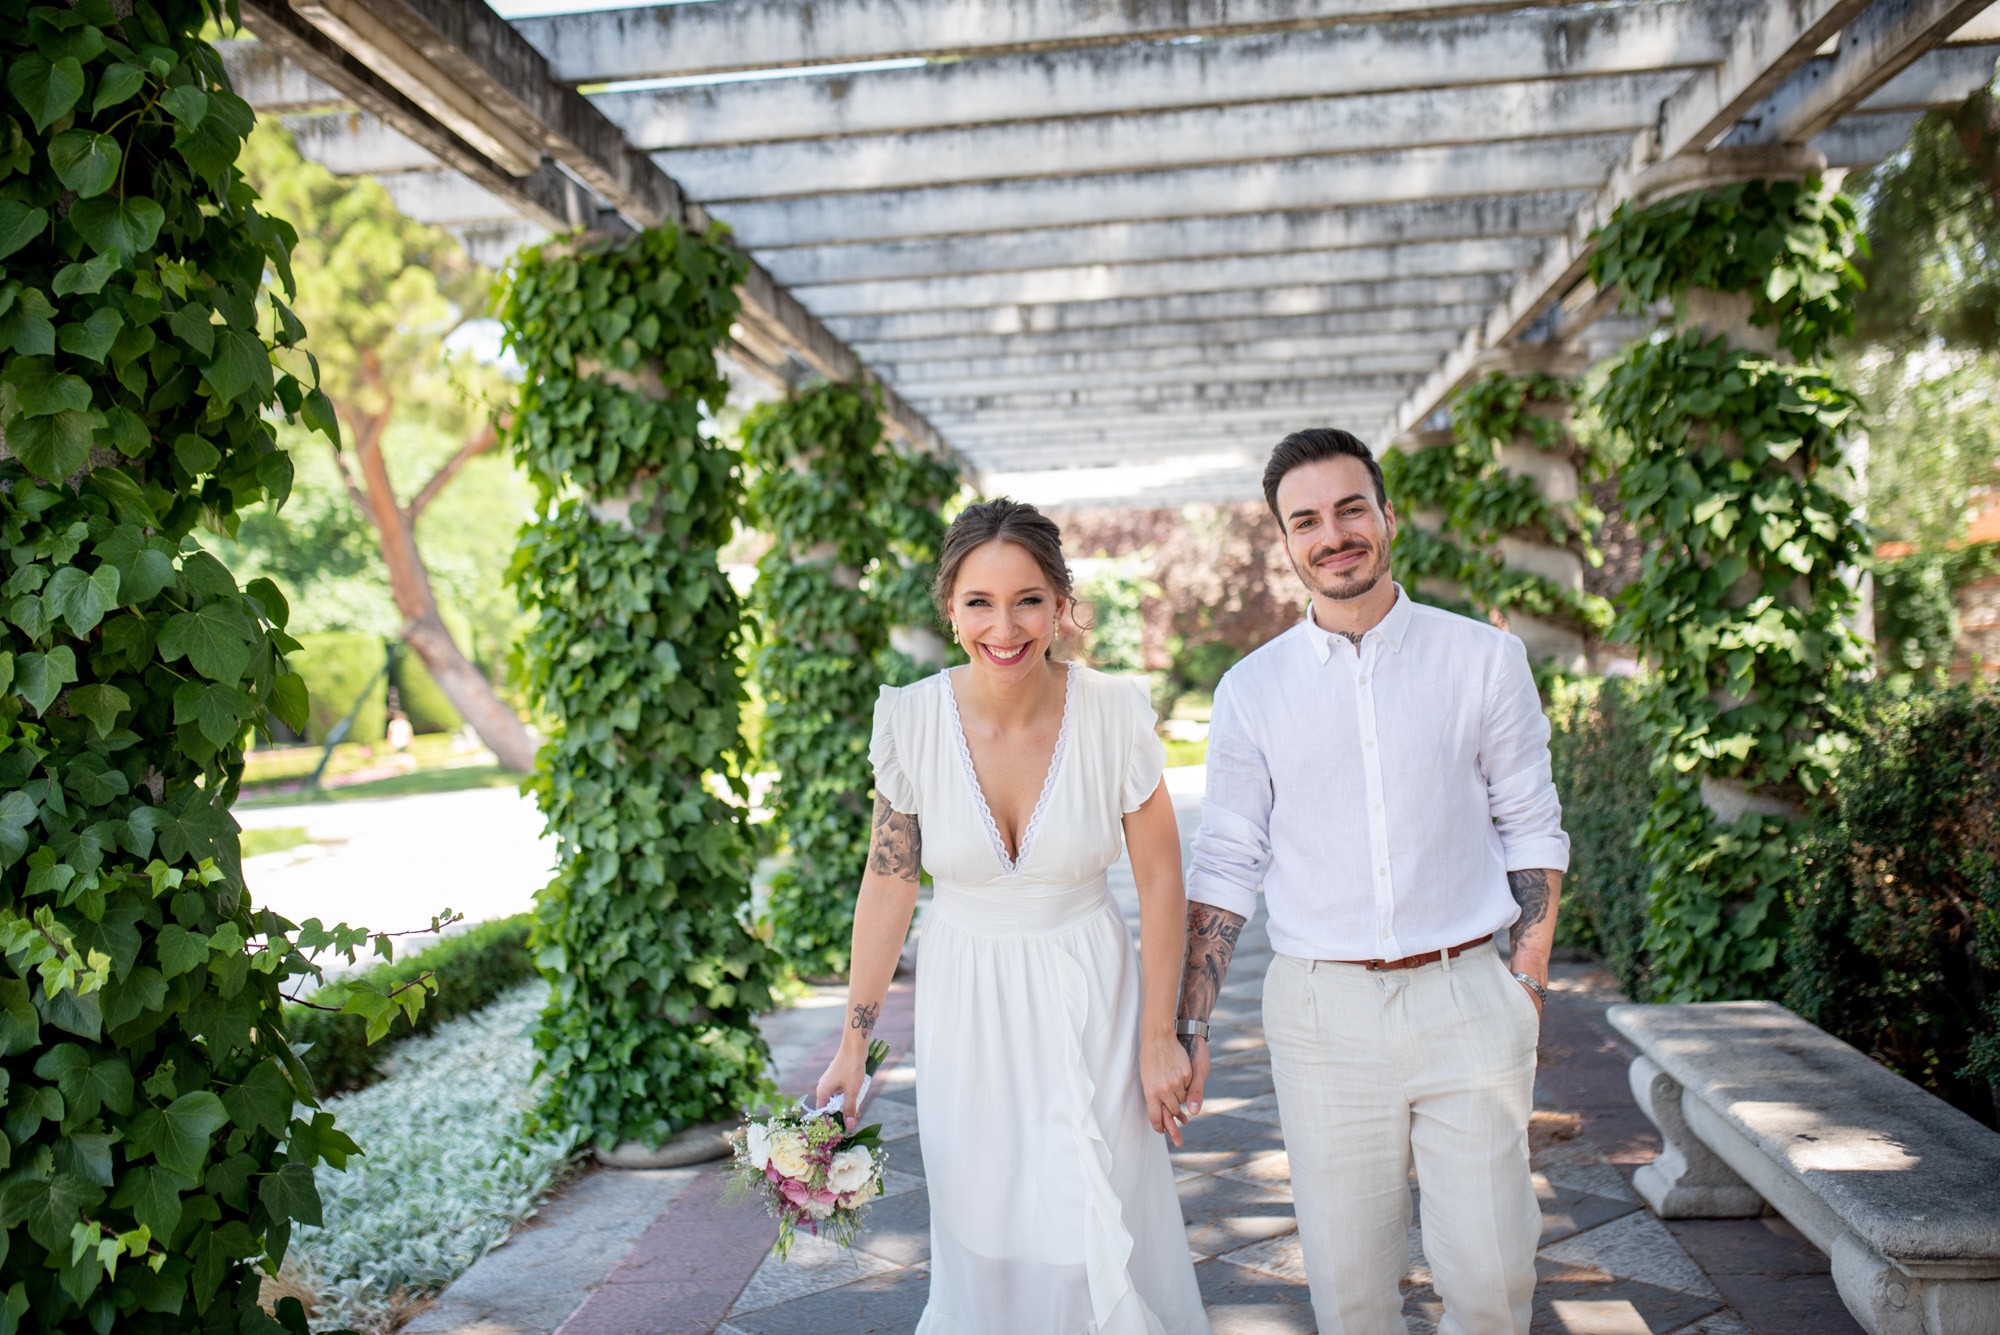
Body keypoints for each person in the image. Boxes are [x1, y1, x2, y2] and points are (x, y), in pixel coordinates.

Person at [1174, 429, 1568, 1334]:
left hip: (1469, 994)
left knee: (1494, 1278)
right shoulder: (1251, 689)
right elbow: (1227, 863)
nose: (1333, 533)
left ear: (1386, 516)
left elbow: (1530, 824)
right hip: (1321, 1015)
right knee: (1350, 1293)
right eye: (1306, 519)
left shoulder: (1482, 658)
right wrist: (1191, 1024)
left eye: (1351, 508)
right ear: (1285, 542)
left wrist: (1528, 981)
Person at [817, 498, 1211, 1335]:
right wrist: (854, 1044)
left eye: (1029, 598)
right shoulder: (913, 719)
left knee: (1092, 1220)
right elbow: (888, 883)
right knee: (985, 1226)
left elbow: (1163, 879)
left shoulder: (1113, 712)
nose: (1006, 625)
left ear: (1062, 603)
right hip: (967, 1003)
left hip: (1093, 997)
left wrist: (1158, 1034)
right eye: (980, 602)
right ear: (950, 608)